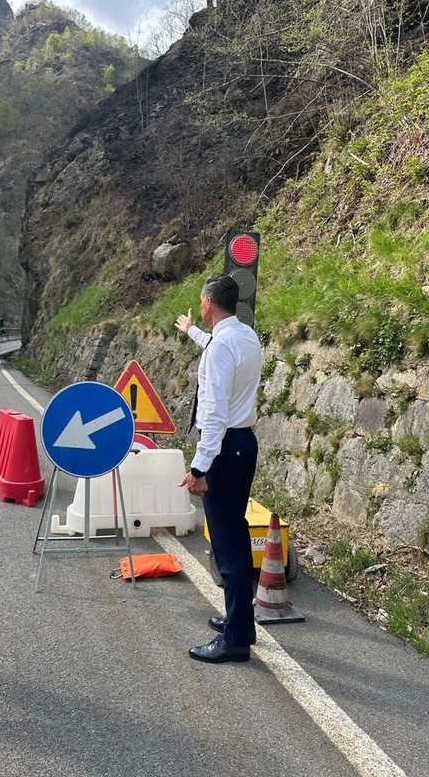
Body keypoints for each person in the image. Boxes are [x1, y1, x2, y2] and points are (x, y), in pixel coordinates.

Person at [175, 273, 262, 663]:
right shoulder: (244, 336)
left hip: (224, 449)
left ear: (208, 302)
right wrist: (192, 331)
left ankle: (236, 640)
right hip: (244, 445)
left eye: (201, 302)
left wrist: (199, 467)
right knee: (235, 534)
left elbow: (213, 415)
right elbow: (215, 346)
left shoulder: (220, 349)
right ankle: (239, 621)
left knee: (229, 545)